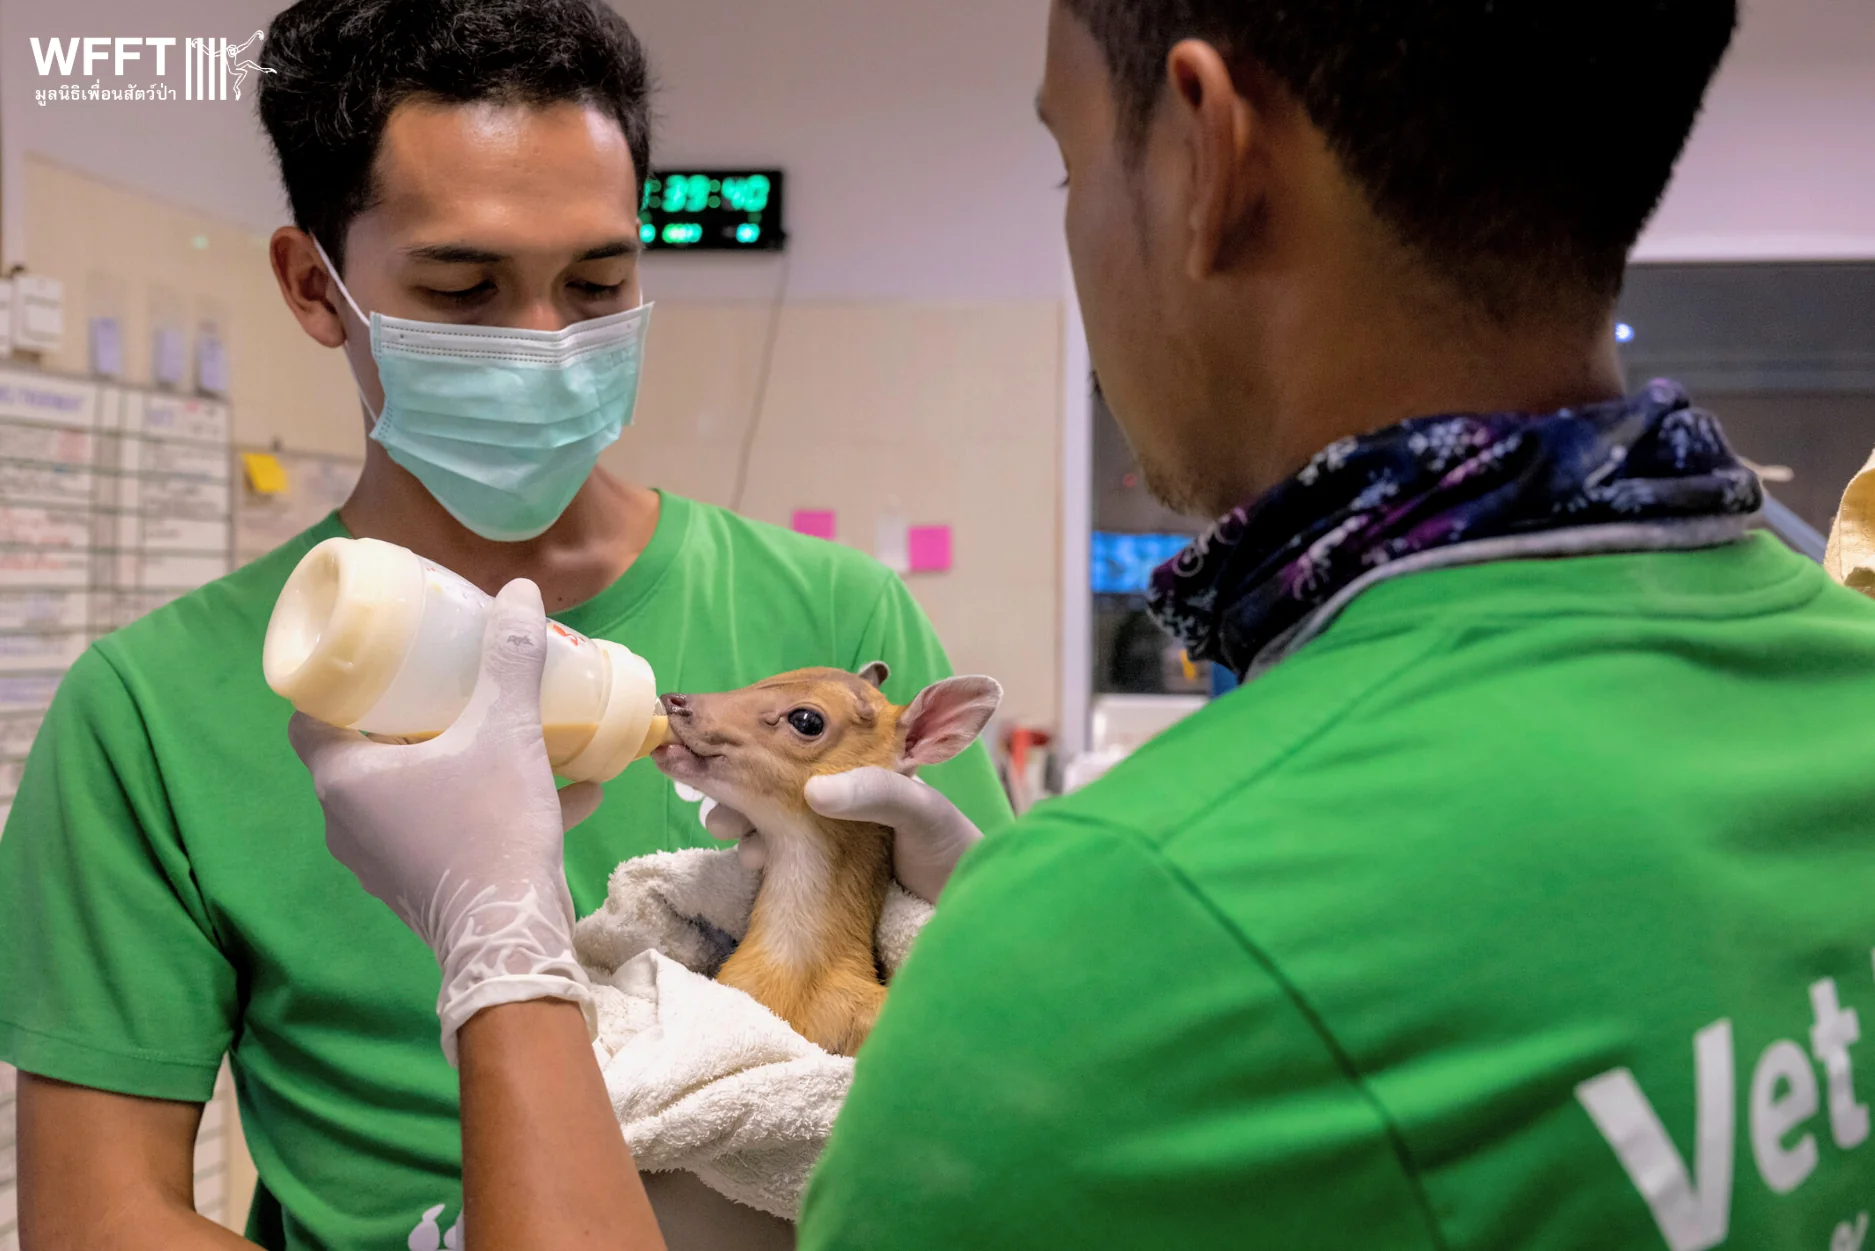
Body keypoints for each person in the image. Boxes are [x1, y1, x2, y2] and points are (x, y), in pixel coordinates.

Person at [295, 0, 1875, 1247]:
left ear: (1209, 156)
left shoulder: (1124, 935)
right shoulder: (1839, 692)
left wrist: (502, 952)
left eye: (1068, 160)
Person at [0, 1, 1010, 1247]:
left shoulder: (840, 628)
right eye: (465, 288)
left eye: (598, 283)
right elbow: (98, 1218)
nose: (548, 345)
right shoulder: (151, 711)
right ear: (316, 287)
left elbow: (1003, 1093)